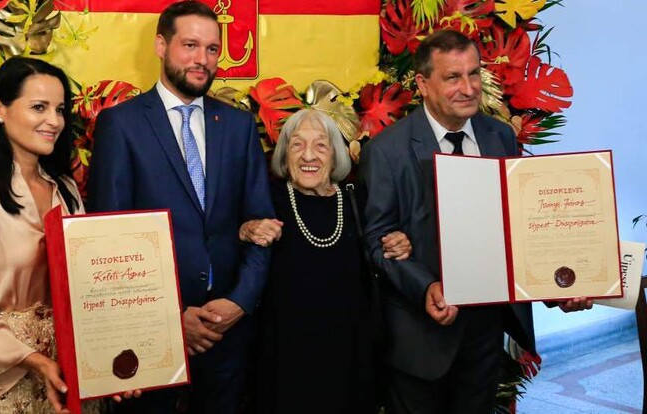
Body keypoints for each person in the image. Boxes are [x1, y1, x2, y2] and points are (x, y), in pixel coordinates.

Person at [359, 30, 592, 414]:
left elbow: (519, 224)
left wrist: (561, 284)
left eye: (473, 74)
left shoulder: (500, 135)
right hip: (421, 341)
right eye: (453, 77)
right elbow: (376, 242)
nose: (468, 88)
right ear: (423, 84)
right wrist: (426, 286)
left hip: (485, 333)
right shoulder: (387, 151)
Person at [86, 1, 274, 413]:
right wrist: (170, 318)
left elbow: (262, 225)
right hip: (149, 336)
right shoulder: (122, 125)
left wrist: (240, 302)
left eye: (211, 48)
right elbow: (108, 242)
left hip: (228, 331)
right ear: (160, 45)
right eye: (190, 45)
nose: (202, 59)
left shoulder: (239, 126)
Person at [0, 57, 98, 413]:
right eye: (39, 108)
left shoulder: (65, 190)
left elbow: (90, 284)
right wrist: (37, 361)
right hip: (11, 384)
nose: (54, 121)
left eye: (60, 109)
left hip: (72, 375)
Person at [239, 109, 411, 414]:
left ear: (335, 155)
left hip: (350, 356)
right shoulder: (269, 198)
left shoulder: (357, 199)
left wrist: (398, 242)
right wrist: (246, 229)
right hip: (285, 357)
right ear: (284, 153)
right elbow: (225, 234)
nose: (309, 155)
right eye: (297, 145)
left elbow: (381, 243)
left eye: (321, 145)